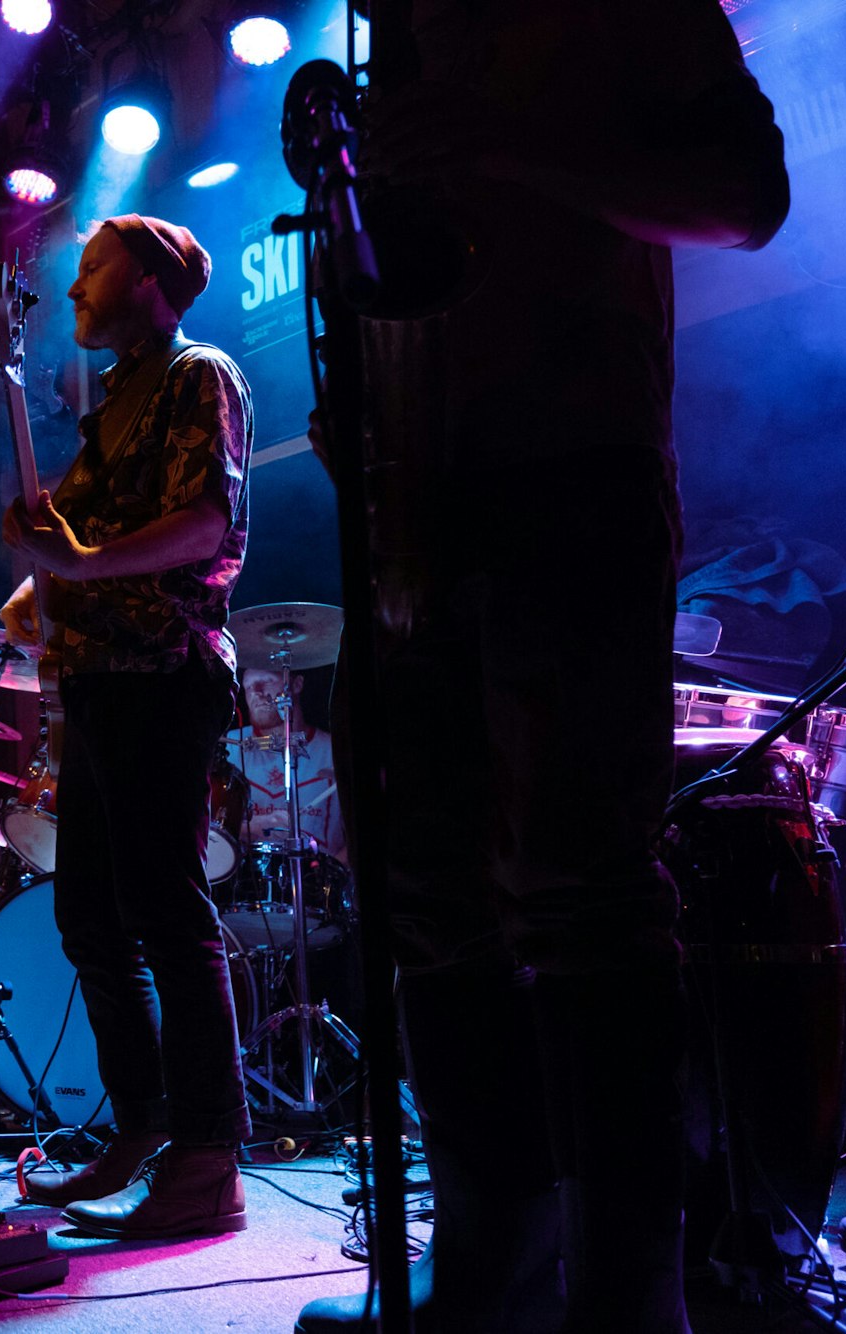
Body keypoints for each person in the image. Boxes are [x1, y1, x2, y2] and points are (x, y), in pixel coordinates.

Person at [291, 3, 790, 1331]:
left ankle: (631, 1305)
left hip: (573, 470)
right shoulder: (400, 26)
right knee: (431, 907)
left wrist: (510, 145)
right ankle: (491, 1288)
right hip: (421, 491)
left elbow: (750, 198)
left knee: (585, 896)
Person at [0, 214, 254, 1238]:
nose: (73, 289)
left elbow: (204, 523)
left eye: (90, 267)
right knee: (90, 920)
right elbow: (80, 537)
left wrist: (81, 567)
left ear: (147, 277)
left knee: (164, 911)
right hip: (99, 679)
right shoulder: (113, 397)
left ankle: (208, 1155)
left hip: (162, 675)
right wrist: (39, 578)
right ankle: (141, 1127)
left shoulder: (201, 373)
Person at [226, 667, 346, 859]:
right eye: (248, 687)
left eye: (267, 681)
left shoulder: (335, 751)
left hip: (320, 881)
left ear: (297, 684)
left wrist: (336, 875)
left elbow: (372, 825)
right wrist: (247, 827)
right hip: (249, 882)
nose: (256, 692)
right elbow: (206, 828)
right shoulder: (229, 748)